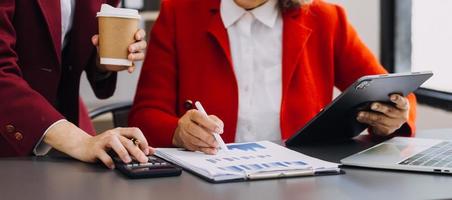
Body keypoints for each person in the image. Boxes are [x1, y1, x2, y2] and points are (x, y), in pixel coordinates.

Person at [129, 0, 417, 154]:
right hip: (205, 183)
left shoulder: (326, 18)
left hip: (303, 183)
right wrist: (178, 132)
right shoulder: (178, 12)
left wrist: (394, 117)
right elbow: (145, 115)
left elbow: (392, 91)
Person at [0, 0, 151, 168]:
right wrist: (79, 141)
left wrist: (103, 61)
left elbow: (69, 50)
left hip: (64, 127)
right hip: (11, 133)